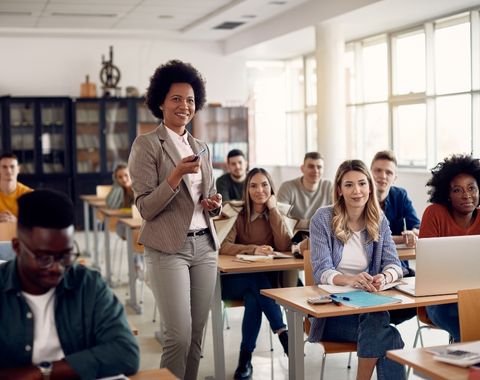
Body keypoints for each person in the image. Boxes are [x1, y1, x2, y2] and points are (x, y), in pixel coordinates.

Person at [128, 60, 222, 380]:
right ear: (161, 103)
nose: (185, 106)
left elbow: (206, 196)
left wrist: (213, 204)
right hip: (169, 248)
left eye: (191, 100)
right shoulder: (147, 145)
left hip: (205, 246)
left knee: (196, 337)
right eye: (177, 99)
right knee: (178, 337)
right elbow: (145, 207)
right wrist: (176, 174)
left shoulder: (201, 147)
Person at [0, 189, 139, 379]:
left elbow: (126, 353)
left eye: (65, 255)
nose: (57, 268)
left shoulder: (88, 284)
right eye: (44, 258)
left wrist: (41, 373)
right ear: (17, 247)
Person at [309, 159, 405, 380]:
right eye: (349, 185)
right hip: (332, 314)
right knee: (388, 335)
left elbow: (394, 265)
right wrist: (351, 280)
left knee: (379, 327)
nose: (357, 191)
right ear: (339, 190)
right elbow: (322, 271)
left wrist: (384, 276)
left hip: (368, 308)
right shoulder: (322, 219)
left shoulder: (378, 220)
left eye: (362, 183)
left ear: (370, 187)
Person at [219, 168, 290, 379]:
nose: (260, 190)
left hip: (261, 288)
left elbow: (284, 244)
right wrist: (252, 249)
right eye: (254, 185)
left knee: (254, 297)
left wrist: (274, 210)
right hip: (232, 283)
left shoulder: (276, 213)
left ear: (271, 188)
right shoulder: (237, 213)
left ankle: (244, 361)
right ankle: (282, 332)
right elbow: (224, 246)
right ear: (247, 190)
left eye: (265, 185)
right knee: (254, 279)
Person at [420, 154, 480, 343]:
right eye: (457, 190)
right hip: (439, 300)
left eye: (472, 188)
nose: (467, 195)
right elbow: (427, 266)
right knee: (465, 322)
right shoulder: (434, 213)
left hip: (475, 295)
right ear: (447, 194)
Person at [370, 150, 420, 324]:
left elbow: (418, 227)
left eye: (389, 172)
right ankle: (378, 328)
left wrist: (413, 233)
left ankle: (380, 327)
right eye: (378, 170)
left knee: (423, 293)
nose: (383, 176)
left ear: (395, 177)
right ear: (370, 172)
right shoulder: (360, 198)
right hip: (370, 276)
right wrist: (400, 238)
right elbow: (370, 238)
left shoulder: (401, 196)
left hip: (399, 272)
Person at [277, 152, 333, 247]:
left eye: (319, 167)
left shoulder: (329, 186)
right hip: (293, 240)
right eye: (311, 166)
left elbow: (335, 218)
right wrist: (317, 222)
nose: (315, 170)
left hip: (323, 239)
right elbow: (281, 219)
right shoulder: (287, 187)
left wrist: (300, 222)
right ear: (302, 168)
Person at [0, 152, 33, 222]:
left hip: (19, 232)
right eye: (4, 167)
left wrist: (17, 222)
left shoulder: (29, 194)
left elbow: (35, 222)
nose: (8, 171)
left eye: (12, 167)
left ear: (18, 169)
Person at [106, 163, 135, 239]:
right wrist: (116, 185)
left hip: (139, 222)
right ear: (116, 179)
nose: (124, 179)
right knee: (120, 227)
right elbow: (111, 205)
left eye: (126, 175)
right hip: (125, 221)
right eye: (120, 177)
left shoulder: (138, 189)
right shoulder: (119, 190)